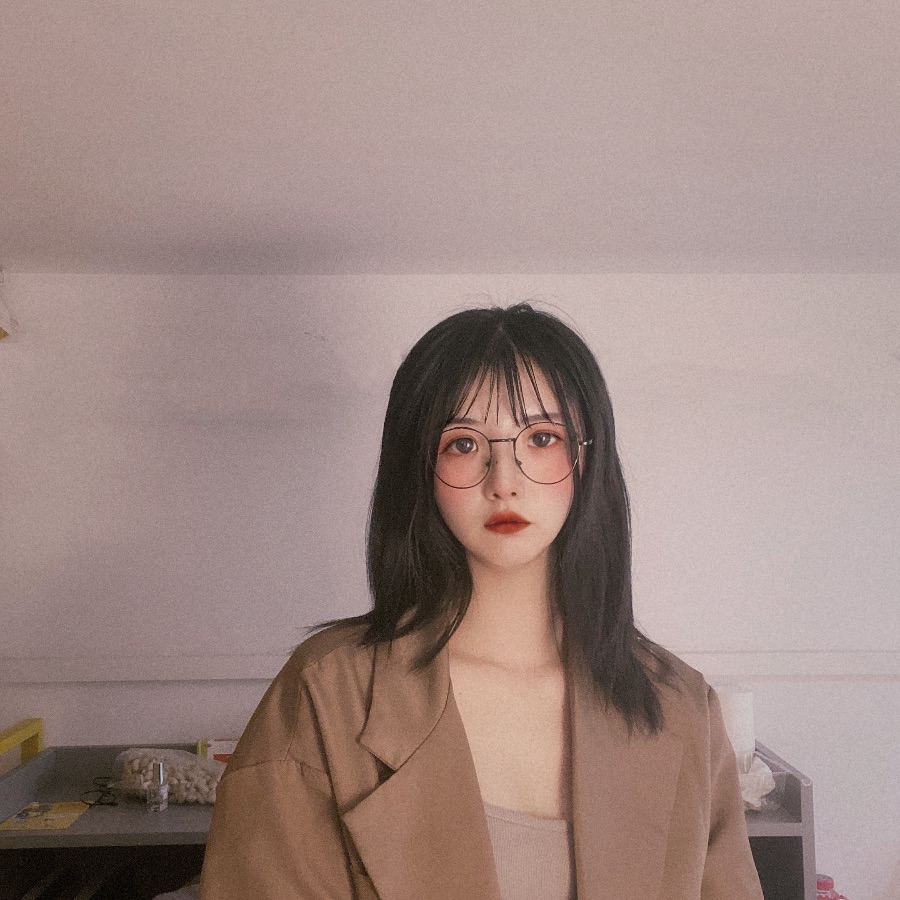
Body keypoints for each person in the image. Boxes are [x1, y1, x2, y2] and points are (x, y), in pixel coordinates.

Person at [200, 303, 763, 899]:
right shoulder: (326, 693)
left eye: (541, 438)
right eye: (464, 443)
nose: (504, 480)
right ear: (419, 468)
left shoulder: (682, 708)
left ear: (587, 459)